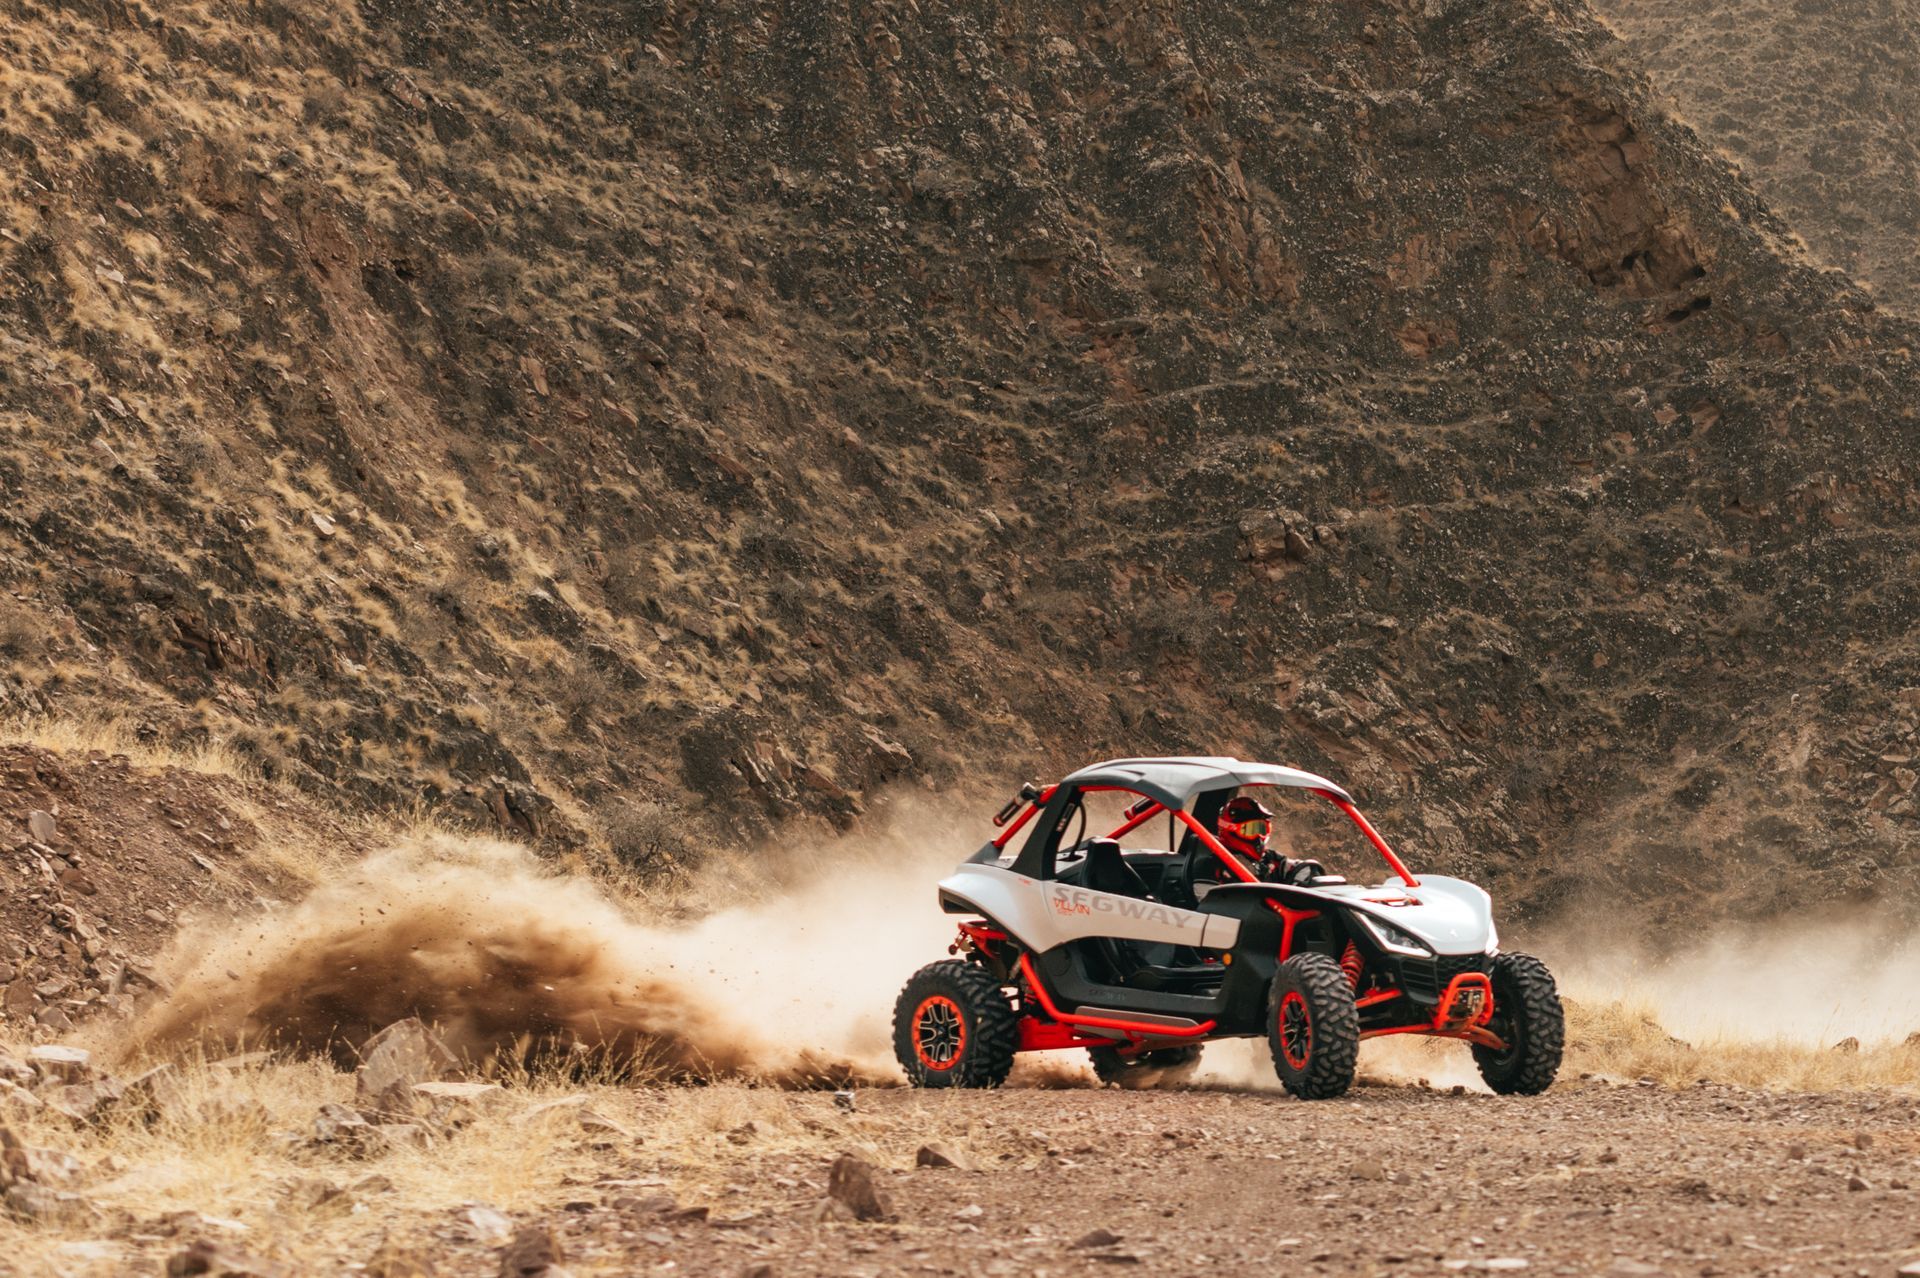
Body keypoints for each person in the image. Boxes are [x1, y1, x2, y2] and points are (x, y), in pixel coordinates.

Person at [1215, 795, 1326, 885]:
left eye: (1263, 829)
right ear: (1230, 829)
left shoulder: (1270, 859)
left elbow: (1297, 868)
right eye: (1250, 829)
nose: (1258, 836)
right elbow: (1207, 906)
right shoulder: (1212, 865)